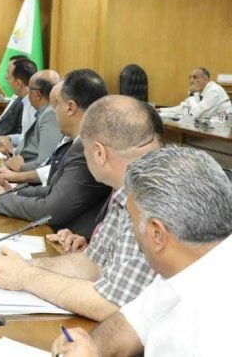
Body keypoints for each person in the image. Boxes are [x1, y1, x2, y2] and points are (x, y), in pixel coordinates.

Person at [0, 95, 161, 322]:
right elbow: (92, 263)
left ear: (99, 153)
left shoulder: (151, 195)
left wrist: (25, 276)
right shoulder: (126, 188)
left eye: (83, 150)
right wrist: (20, 266)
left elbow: (113, 304)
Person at [51, 146, 232, 356]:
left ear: (157, 234)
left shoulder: (214, 330)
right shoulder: (185, 263)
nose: (132, 230)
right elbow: (133, 322)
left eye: (132, 219)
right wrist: (90, 346)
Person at [0, 70, 111, 239]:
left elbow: (52, 210)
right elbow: (54, 191)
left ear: (70, 107)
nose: (53, 112)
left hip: (67, 240)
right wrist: (11, 192)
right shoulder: (80, 142)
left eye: (57, 105)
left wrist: (0, 201)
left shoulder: (87, 148)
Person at [3, 69, 63, 172]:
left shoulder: (50, 115)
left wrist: (20, 168)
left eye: (29, 89)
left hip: (26, 174)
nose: (27, 93)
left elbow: (45, 163)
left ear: (37, 94)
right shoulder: (44, 112)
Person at [0, 56, 36, 136]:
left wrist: (4, 139)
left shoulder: (32, 105)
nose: (6, 77)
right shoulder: (19, 98)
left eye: (8, 72)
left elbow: (25, 136)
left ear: (18, 83)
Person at [159, 67, 231, 118]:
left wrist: (192, 95)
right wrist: (161, 110)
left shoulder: (214, 90)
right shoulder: (198, 92)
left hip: (224, 127)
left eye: (195, 77)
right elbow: (184, 108)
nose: (191, 81)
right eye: (190, 78)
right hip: (209, 126)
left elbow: (195, 113)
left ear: (206, 79)